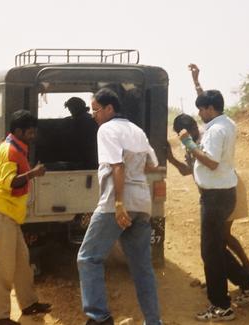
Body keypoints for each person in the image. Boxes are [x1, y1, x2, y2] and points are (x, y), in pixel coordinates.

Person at [77, 88, 163, 325]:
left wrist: (118, 203)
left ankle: (99, 317)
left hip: (116, 203)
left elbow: (117, 166)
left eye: (96, 110)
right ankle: (154, 321)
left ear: (109, 109)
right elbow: (152, 165)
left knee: (88, 258)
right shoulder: (138, 131)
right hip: (142, 203)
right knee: (142, 268)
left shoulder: (107, 129)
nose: (94, 115)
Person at [179, 90, 249, 321]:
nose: (199, 113)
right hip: (221, 194)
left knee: (210, 252)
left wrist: (188, 144)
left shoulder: (215, 130)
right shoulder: (226, 123)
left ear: (210, 109)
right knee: (215, 248)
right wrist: (196, 82)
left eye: (202, 109)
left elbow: (212, 163)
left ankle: (220, 306)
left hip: (215, 197)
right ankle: (247, 282)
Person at [167, 113, 249, 276]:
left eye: (189, 131)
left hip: (227, 189)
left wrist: (188, 143)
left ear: (195, 127)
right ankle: (228, 275)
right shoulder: (188, 143)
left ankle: (248, 269)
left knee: (222, 235)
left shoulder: (206, 138)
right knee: (218, 238)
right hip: (215, 193)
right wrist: (171, 159)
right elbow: (189, 170)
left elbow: (210, 163)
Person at [0, 110, 52, 325]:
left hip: (10, 216)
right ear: (18, 131)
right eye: (29, 132)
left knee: (21, 263)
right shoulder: (9, 151)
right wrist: (34, 173)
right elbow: (10, 182)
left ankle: (29, 303)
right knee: (1, 267)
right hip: (3, 214)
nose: (33, 136)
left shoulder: (17, 148)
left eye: (34, 131)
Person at [64, 97, 99, 168]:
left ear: (76, 108)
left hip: (83, 160)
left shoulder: (77, 121)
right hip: (92, 159)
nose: (70, 111)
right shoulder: (93, 119)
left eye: (71, 108)